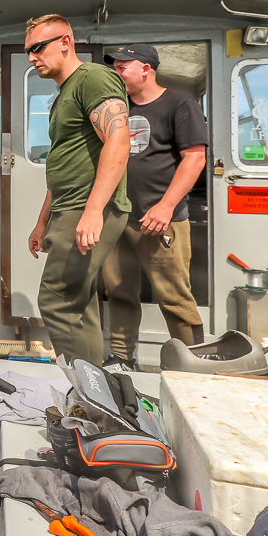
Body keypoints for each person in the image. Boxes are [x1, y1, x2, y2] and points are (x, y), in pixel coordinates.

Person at [25, 14, 130, 365]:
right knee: (78, 303)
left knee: (55, 299)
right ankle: (94, 390)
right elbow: (62, 165)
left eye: (38, 47)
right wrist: (42, 223)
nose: (31, 57)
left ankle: (84, 397)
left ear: (65, 42)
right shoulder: (63, 95)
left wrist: (94, 210)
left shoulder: (93, 78)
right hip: (67, 208)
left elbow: (118, 139)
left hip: (86, 207)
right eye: (28, 50)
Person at [100, 44, 208, 370]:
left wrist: (165, 206)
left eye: (123, 67)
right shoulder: (119, 111)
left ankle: (193, 364)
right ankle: (121, 360)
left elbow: (195, 158)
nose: (116, 73)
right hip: (120, 218)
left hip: (163, 220)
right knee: (119, 292)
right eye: (114, 67)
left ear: (146, 68)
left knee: (174, 298)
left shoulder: (179, 104)